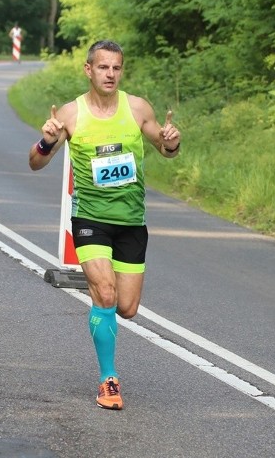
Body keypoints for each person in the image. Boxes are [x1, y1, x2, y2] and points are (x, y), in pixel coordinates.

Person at [28, 39, 181, 410]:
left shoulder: (137, 107)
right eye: (103, 67)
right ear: (88, 70)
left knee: (126, 308)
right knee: (107, 295)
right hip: (90, 219)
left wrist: (172, 142)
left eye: (116, 68)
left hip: (131, 220)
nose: (110, 74)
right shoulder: (70, 114)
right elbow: (35, 162)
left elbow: (164, 148)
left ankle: (102, 309)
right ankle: (107, 380)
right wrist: (47, 143)